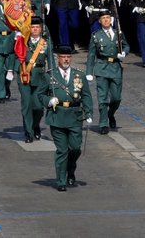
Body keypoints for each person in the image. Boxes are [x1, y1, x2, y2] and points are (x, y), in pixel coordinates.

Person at [41, 45, 93, 191]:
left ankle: (71, 169)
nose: (66, 59)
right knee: (62, 150)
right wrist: (48, 101)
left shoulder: (79, 75)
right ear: (58, 58)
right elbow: (40, 95)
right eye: (63, 57)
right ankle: (61, 181)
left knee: (75, 148)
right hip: (57, 116)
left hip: (75, 116)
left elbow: (86, 96)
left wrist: (89, 113)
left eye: (68, 57)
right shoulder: (49, 75)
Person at [85, 12, 129, 135]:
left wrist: (124, 53)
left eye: (108, 18)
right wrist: (89, 71)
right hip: (102, 68)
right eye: (103, 18)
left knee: (116, 98)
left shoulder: (118, 33)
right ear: (99, 21)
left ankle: (110, 114)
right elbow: (91, 54)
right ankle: (103, 123)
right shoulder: (96, 35)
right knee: (102, 99)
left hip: (115, 67)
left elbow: (126, 46)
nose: (106, 20)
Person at [18, 18, 51, 142]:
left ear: (41, 29)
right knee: (26, 105)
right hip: (24, 75)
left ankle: (35, 125)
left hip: (40, 76)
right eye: (32, 27)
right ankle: (28, 132)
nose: (35, 29)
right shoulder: (23, 41)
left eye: (37, 27)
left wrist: (52, 76)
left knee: (38, 106)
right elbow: (15, 54)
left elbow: (51, 61)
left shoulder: (46, 42)